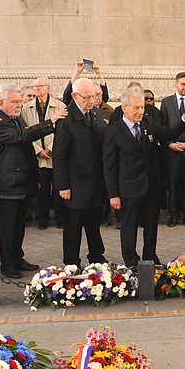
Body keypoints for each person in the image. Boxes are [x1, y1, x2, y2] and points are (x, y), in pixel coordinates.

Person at [0, 84, 67, 278]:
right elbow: (21, 137)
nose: (19, 105)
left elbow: (26, 148)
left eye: (20, 101)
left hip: (22, 182)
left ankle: (18, 258)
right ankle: (7, 264)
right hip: (7, 184)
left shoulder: (16, 120)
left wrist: (34, 176)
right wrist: (50, 122)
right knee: (7, 228)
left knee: (19, 226)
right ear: (1, 102)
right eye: (15, 102)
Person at [103, 85, 185, 267]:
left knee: (151, 227)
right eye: (136, 108)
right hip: (128, 189)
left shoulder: (148, 124)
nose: (141, 111)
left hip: (151, 187)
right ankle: (131, 262)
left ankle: (150, 258)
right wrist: (113, 195)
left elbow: (170, 133)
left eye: (142, 107)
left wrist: (184, 119)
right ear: (124, 108)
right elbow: (109, 166)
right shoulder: (114, 131)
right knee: (129, 228)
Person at [53, 78, 108, 267]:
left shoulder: (95, 113)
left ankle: (96, 256)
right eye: (87, 97)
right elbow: (59, 155)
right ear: (75, 96)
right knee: (73, 226)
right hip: (75, 184)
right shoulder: (66, 119)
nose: (92, 101)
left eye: (94, 96)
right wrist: (63, 185)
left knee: (94, 223)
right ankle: (71, 261)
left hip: (95, 181)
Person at [21, 76, 67, 230]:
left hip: (55, 154)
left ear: (48, 88)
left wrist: (51, 148)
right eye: (36, 86)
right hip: (38, 155)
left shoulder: (60, 106)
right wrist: (38, 150)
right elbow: (25, 131)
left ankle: (60, 217)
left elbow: (63, 131)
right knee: (42, 188)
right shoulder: (26, 108)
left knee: (58, 186)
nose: (38, 89)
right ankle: (43, 218)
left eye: (41, 86)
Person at [160, 72, 185, 228]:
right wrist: (169, 143)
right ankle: (173, 214)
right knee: (174, 183)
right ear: (176, 84)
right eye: (183, 84)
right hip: (172, 151)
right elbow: (163, 127)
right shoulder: (166, 102)